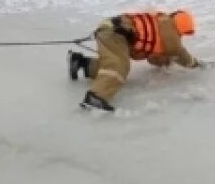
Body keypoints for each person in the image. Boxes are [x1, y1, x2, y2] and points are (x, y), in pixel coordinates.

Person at [67, 10, 201, 111]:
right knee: (118, 67)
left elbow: (153, 56)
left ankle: (81, 63)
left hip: (112, 28)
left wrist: (164, 62)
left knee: (111, 64)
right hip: (117, 33)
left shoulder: (160, 21)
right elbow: (182, 56)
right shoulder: (172, 40)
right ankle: (96, 98)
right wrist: (195, 64)